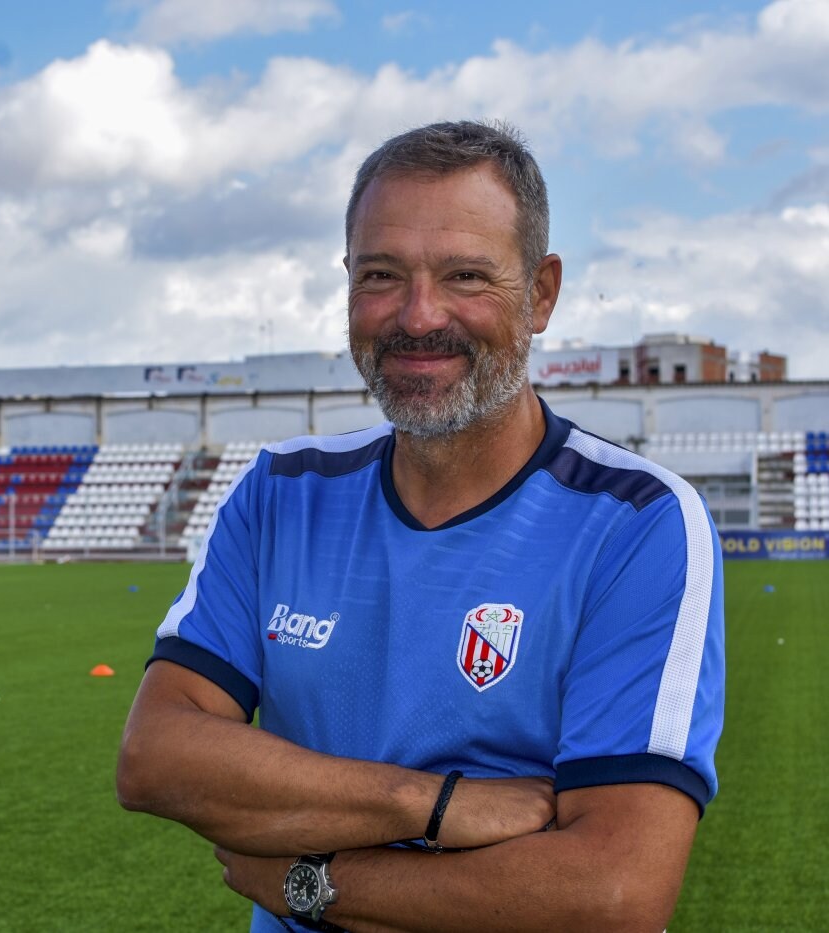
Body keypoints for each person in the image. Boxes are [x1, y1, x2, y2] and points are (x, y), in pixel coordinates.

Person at [116, 120, 724, 933]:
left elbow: (612, 893)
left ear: (541, 293)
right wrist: (434, 804)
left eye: (467, 275)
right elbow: (156, 757)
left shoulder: (639, 523)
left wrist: (311, 879)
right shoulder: (280, 493)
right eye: (382, 274)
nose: (419, 314)